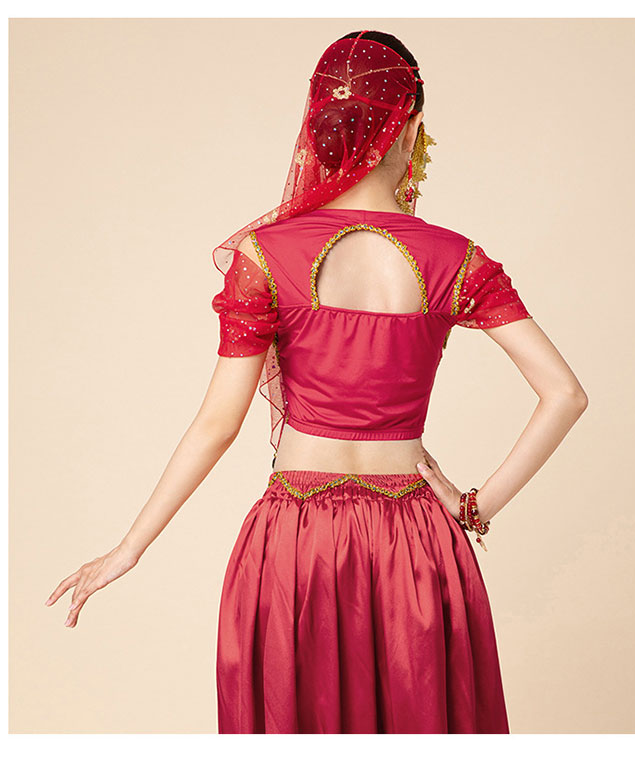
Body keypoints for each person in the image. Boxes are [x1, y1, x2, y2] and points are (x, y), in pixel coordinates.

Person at [45, 30, 588, 734]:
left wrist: (129, 547)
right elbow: (564, 394)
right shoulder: (455, 258)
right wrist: (473, 506)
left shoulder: (267, 255)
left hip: (295, 543)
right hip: (418, 541)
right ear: (411, 129)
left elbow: (217, 425)